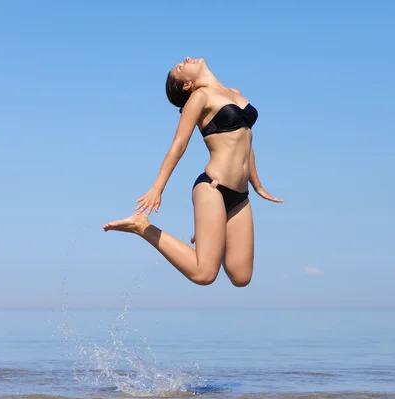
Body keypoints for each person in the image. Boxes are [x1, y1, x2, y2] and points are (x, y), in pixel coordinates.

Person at [103, 57, 283, 287]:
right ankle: (141, 226)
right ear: (187, 85)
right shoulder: (200, 97)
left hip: (240, 196)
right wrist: (157, 188)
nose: (186, 60)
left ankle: (212, 231)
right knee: (204, 274)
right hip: (213, 188)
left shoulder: (234, 92)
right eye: (180, 67)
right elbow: (179, 144)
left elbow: (246, 140)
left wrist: (257, 185)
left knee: (241, 277)